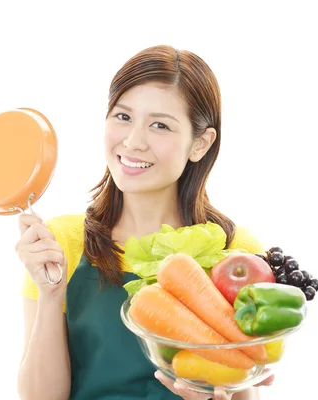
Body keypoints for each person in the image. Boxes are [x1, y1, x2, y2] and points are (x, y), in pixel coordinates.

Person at [15, 44, 275, 400]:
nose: (133, 142)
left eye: (159, 125)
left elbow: (243, 391)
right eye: (123, 117)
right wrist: (50, 295)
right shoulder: (62, 242)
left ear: (200, 143)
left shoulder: (236, 255)